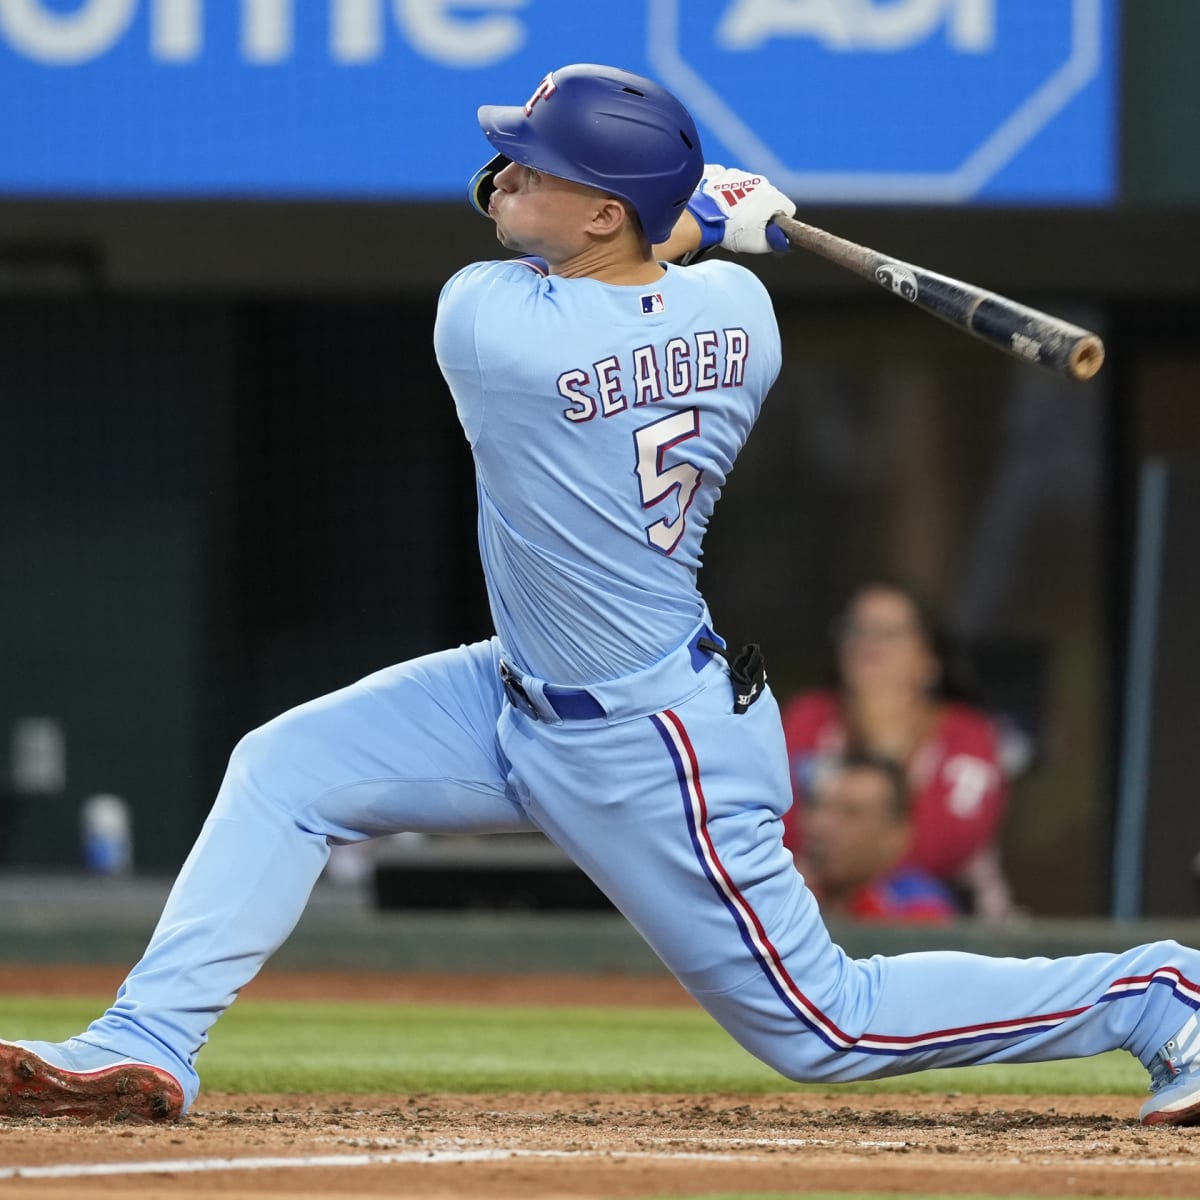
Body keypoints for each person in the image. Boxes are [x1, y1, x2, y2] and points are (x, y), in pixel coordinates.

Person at [1, 63, 1199, 1129]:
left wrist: (703, 218)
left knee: (825, 1026)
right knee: (284, 768)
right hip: (513, 692)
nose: (502, 176)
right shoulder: (748, 315)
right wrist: (720, 223)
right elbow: (661, 272)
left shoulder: (489, 328)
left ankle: (1158, 995)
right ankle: (143, 1041)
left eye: (536, 166)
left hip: (650, 739)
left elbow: (620, 274)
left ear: (604, 209)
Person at [781, 580, 1014, 919]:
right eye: (856, 630)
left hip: (943, 928)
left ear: (929, 660)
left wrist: (884, 749)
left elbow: (943, 848)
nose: (868, 645)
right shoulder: (808, 718)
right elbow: (776, 829)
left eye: (889, 633)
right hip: (811, 914)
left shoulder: (969, 735)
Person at [799, 752, 958, 924]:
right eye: (819, 807)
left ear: (897, 835)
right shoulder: (787, 894)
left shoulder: (921, 912)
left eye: (851, 813)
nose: (822, 825)